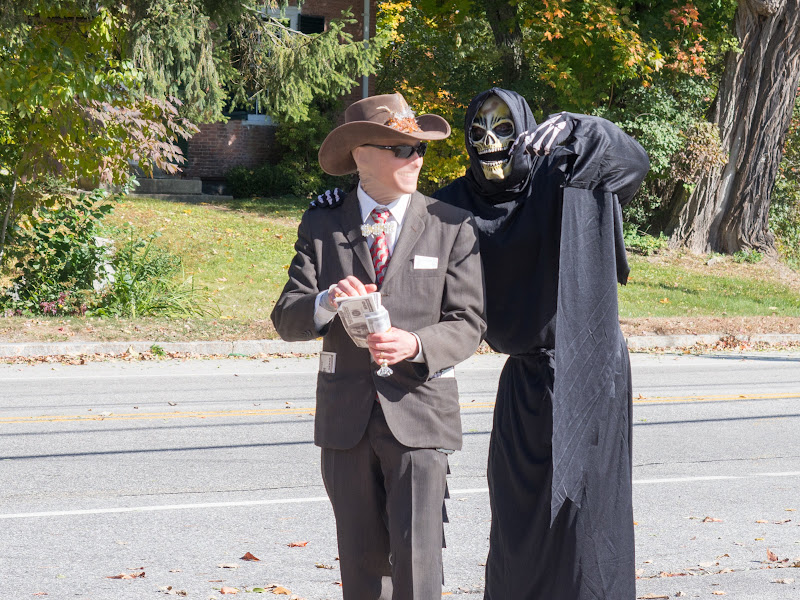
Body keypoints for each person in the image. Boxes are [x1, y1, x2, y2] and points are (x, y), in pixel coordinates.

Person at [432, 88, 650, 599]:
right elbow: (398, 222)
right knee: (518, 521)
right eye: (479, 129)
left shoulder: (564, 176)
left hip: (591, 367)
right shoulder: (454, 205)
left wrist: (578, 126)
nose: (490, 140)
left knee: (587, 524)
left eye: (504, 127)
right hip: (526, 379)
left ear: (526, 130)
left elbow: (631, 163)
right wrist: (341, 202)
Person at [271, 92, 486, 600]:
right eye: (400, 149)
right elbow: (287, 317)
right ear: (360, 155)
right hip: (346, 420)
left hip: (420, 413)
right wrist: (326, 300)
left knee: (418, 560)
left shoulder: (451, 224)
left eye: (418, 149)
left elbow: (469, 322)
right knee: (361, 564)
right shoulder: (323, 223)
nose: (414, 159)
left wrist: (414, 342)